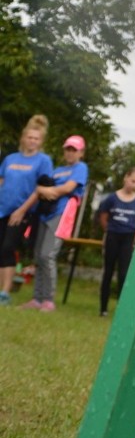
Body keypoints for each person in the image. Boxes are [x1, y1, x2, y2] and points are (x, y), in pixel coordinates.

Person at [20, 135, 88, 312]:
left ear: (81, 152)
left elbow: (67, 188)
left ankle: (48, 300)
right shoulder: (57, 170)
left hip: (61, 215)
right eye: (68, 149)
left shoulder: (81, 168)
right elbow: (39, 188)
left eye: (74, 150)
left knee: (47, 255)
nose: (70, 153)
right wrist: (46, 190)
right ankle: (37, 298)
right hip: (44, 214)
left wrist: (48, 190)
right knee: (38, 255)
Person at [0, 115, 52, 306]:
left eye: (36, 138)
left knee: (7, 248)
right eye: (30, 137)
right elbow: (1, 181)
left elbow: (40, 190)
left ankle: (5, 292)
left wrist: (21, 211)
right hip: (2, 209)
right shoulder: (10, 158)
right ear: (23, 138)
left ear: (41, 141)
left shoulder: (43, 161)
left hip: (22, 211)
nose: (32, 141)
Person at [97, 166, 135, 316]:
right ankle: (103, 309)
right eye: (132, 181)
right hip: (113, 236)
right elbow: (103, 216)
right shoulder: (111, 198)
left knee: (123, 274)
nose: (134, 185)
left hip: (128, 238)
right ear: (126, 177)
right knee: (108, 272)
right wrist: (108, 230)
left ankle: (121, 309)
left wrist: (134, 239)